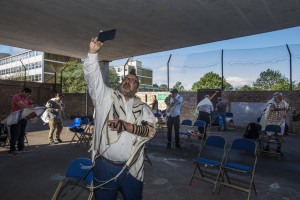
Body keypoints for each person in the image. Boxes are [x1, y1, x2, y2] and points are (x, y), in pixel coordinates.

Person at [83, 37, 156, 200]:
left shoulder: (143, 108)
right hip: (104, 166)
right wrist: (92, 54)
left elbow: (150, 131)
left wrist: (126, 126)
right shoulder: (106, 97)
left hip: (132, 168)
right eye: (126, 79)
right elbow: (93, 80)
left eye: (133, 81)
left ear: (137, 88)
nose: (128, 82)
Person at [8, 87, 34, 156]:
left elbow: (32, 104)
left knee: (22, 133)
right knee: (15, 134)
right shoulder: (16, 96)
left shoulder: (27, 98)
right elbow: (21, 105)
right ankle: (12, 150)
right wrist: (29, 106)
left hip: (23, 117)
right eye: (27, 94)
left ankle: (21, 148)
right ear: (23, 92)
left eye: (29, 95)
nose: (28, 96)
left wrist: (32, 106)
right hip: (15, 118)